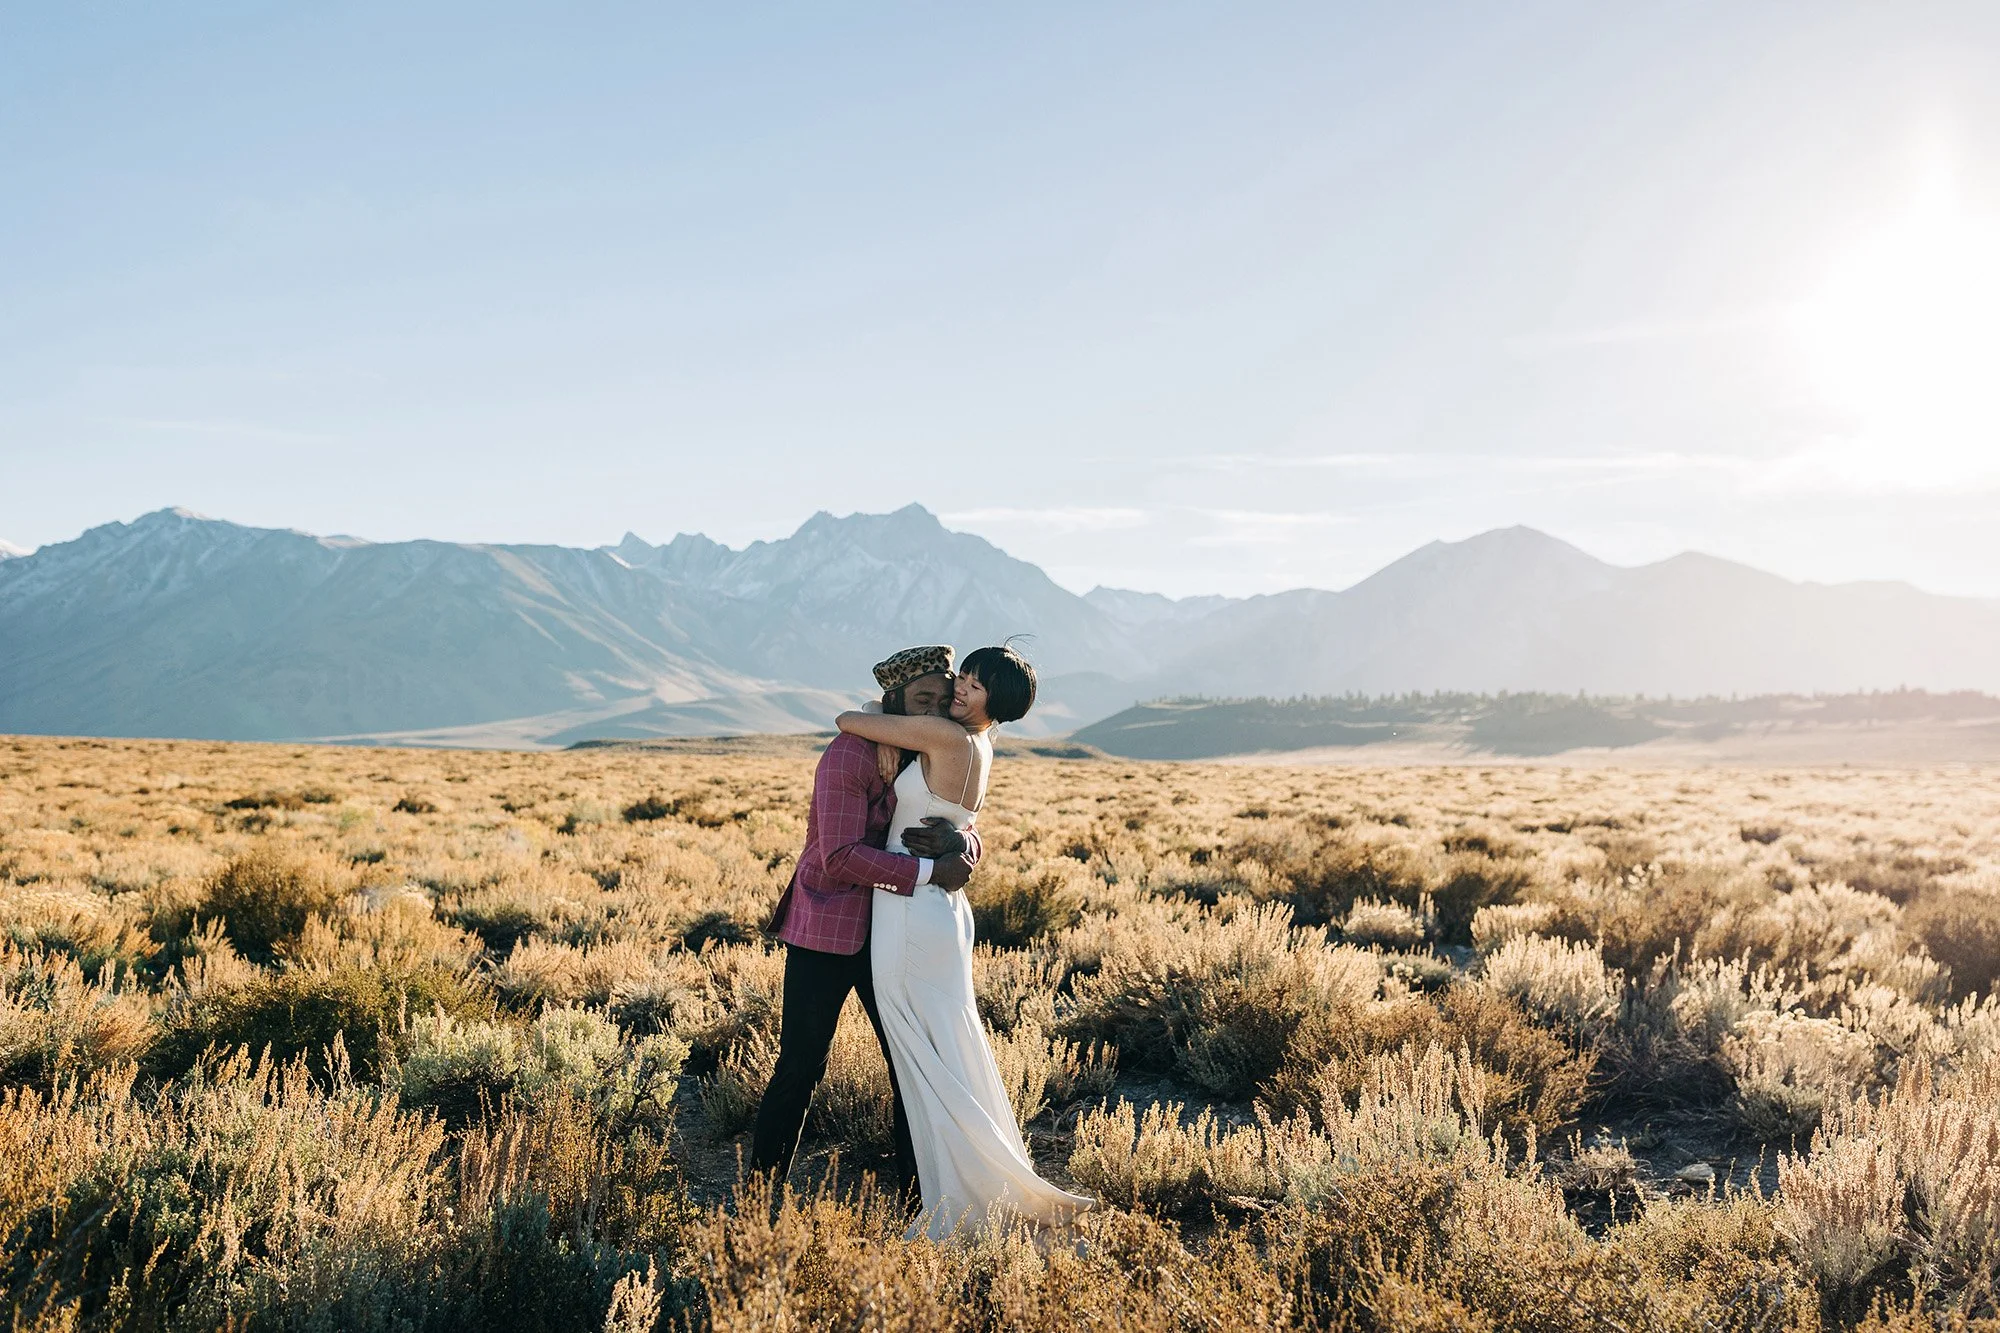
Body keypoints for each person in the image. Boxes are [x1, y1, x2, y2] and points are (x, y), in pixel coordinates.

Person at [832, 643, 1096, 1240]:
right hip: (942, 909)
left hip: (908, 909)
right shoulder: (981, 743)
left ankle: (964, 1193)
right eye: (964, 676)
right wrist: (962, 846)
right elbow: (965, 826)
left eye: (974, 685)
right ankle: (982, 1178)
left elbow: (848, 722)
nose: (961, 688)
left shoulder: (940, 735)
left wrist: (889, 710)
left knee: (924, 1051)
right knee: (946, 1044)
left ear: (994, 700)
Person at [751, 645, 979, 1204]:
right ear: (894, 699)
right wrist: (930, 871)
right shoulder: (848, 757)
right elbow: (838, 858)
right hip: (827, 929)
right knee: (801, 1064)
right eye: (920, 700)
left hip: (893, 934)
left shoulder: (926, 750)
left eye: (941, 700)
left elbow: (961, 809)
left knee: (909, 1065)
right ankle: (761, 1200)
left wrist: (965, 848)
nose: (932, 711)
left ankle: (917, 1203)